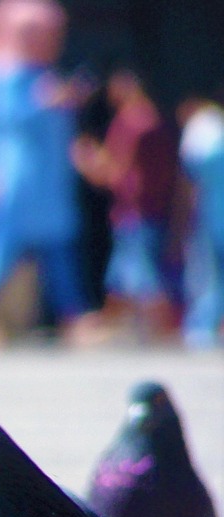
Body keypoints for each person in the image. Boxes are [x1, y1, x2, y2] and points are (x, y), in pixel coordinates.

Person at [0, 0, 91, 349]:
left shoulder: (46, 75)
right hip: (15, 176)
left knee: (58, 245)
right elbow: (6, 119)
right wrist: (49, 102)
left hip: (47, 180)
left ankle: (73, 314)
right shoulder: (2, 74)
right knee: (0, 246)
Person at [71, 69, 179, 343]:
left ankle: (168, 331)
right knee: (119, 277)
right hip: (151, 209)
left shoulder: (130, 122)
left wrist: (85, 159)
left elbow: (114, 172)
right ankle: (110, 329)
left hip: (134, 212)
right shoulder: (154, 118)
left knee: (145, 275)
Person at [178, 92, 224, 349]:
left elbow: (190, 179)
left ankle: (202, 325)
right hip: (212, 215)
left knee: (207, 272)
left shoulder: (204, 128)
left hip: (210, 216)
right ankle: (204, 324)